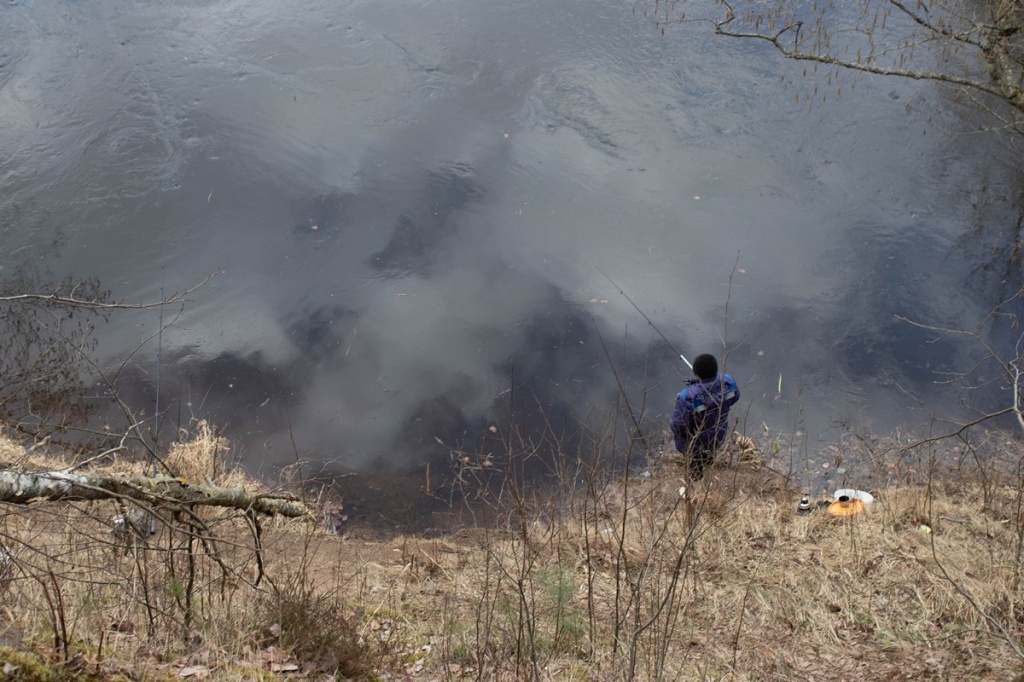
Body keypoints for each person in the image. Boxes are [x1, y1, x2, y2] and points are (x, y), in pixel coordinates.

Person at [670, 353, 740, 481]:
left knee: (696, 463)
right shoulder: (727, 382)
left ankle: (696, 481)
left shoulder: (688, 397)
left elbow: (679, 425)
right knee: (710, 451)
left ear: (696, 373)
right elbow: (735, 397)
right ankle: (709, 464)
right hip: (718, 434)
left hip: (696, 444)